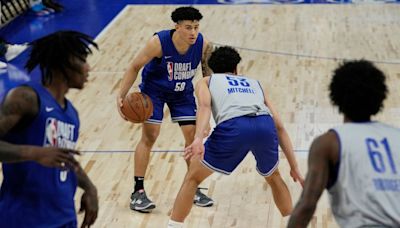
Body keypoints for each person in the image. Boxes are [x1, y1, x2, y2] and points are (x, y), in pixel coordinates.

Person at [167, 46, 304, 227]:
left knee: (192, 177)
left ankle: (174, 225)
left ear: (212, 68)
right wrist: (294, 167)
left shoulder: (207, 81)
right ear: (236, 68)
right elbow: (279, 126)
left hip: (235, 126)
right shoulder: (255, 83)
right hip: (264, 124)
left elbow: (205, 107)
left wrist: (198, 138)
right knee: (274, 176)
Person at [117, 6, 214, 212]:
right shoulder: (158, 43)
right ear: (177, 27)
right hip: (155, 93)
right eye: (188, 27)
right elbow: (135, 66)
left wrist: (210, 111)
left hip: (182, 94)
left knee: (193, 137)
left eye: (196, 27)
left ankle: (193, 187)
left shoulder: (203, 44)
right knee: (150, 137)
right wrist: (121, 95)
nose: (193, 32)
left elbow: (207, 79)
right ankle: (138, 191)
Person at [0, 31, 99, 227]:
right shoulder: (25, 98)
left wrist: (89, 187)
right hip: (23, 219)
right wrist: (33, 153)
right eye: (82, 60)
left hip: (64, 218)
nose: (88, 68)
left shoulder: (71, 113)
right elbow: (43, 153)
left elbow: (63, 159)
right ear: (64, 62)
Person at [288, 60, 400, 227]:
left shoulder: (328, 143)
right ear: (380, 96)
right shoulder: (396, 136)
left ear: (336, 97)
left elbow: (307, 206)